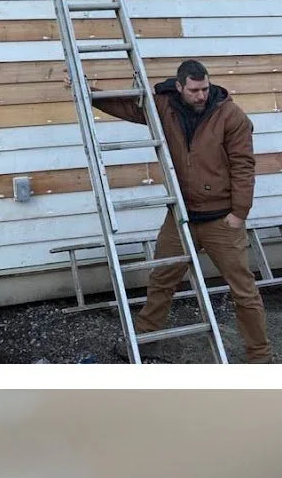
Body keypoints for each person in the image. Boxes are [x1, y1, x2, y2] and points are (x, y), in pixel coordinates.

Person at [91, 59, 271, 362]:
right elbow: (129, 107)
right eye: (194, 90)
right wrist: (89, 91)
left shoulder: (231, 116)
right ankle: (146, 341)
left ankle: (260, 355)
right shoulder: (164, 106)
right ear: (179, 87)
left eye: (204, 88)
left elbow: (244, 166)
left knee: (243, 290)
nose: (200, 96)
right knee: (162, 278)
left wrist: (239, 212)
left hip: (221, 219)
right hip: (181, 216)